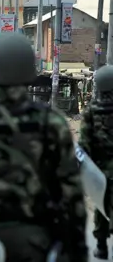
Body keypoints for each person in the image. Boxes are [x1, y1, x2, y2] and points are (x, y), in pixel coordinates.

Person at [0, 32, 87, 262]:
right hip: (38, 244)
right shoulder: (52, 124)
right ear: (30, 74)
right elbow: (71, 197)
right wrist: (77, 250)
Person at [78, 65, 113, 260]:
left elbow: (84, 143)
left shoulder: (92, 110)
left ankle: (101, 246)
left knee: (101, 204)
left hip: (101, 169)